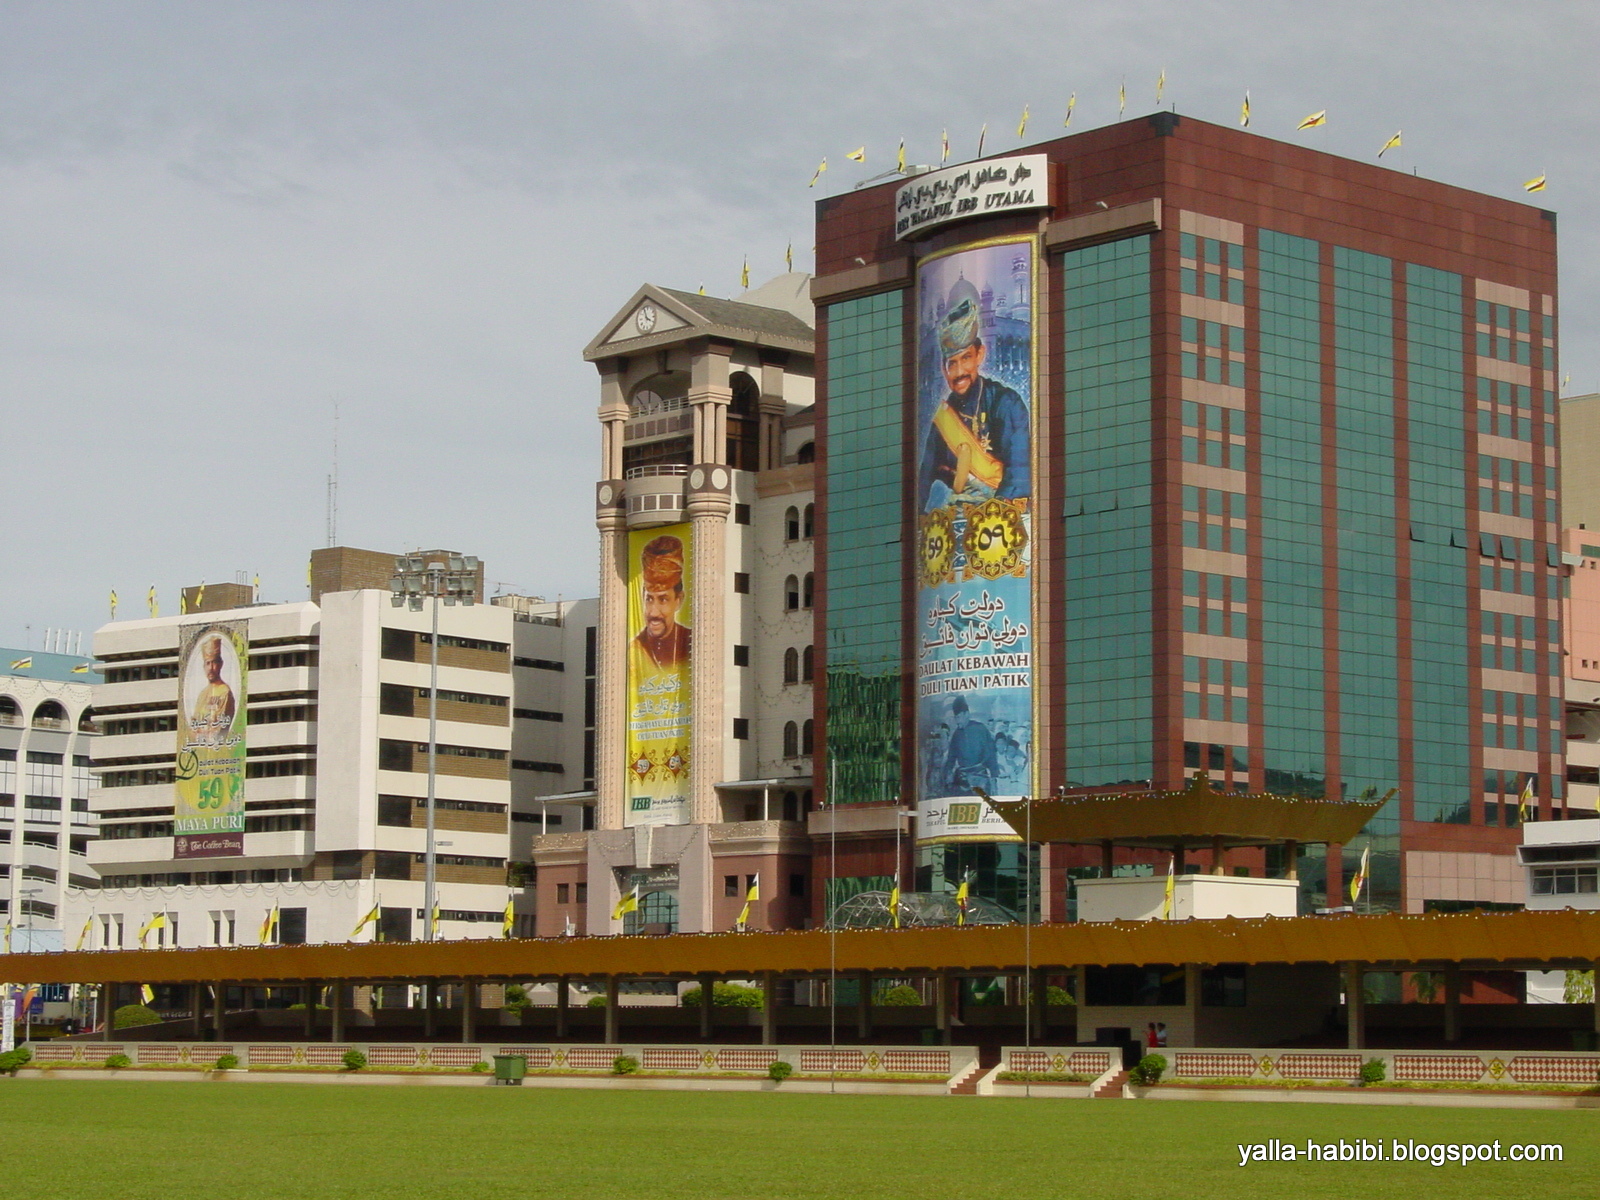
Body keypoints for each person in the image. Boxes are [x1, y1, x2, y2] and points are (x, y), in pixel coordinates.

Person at [919, 275, 1031, 510]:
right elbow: (925, 481)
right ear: (943, 369)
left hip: (997, 520)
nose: (959, 372)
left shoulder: (1006, 403)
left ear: (980, 355)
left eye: (966, 359)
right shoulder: (942, 422)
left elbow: (1019, 473)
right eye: (952, 364)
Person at [631, 534, 691, 669]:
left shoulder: (694, 644)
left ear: (679, 600)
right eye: (649, 599)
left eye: (663, 599)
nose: (654, 612)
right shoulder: (633, 652)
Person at [942, 696, 998, 795]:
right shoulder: (957, 734)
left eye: (959, 717)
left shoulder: (980, 729)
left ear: (966, 714)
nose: (957, 721)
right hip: (962, 778)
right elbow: (951, 757)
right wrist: (948, 773)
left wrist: (993, 779)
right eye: (955, 718)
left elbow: (991, 755)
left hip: (980, 777)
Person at [189, 634, 236, 740]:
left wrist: (200, 732)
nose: (211, 668)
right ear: (204, 666)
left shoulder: (225, 692)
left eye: (214, 662)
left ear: (220, 664)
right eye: (208, 663)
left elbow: (218, 732)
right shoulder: (202, 695)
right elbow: (193, 729)